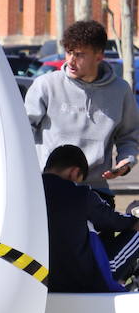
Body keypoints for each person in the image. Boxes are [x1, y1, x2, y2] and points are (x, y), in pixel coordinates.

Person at [26, 19, 139, 198]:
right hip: (48, 189)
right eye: (69, 52)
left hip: (95, 191)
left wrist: (126, 162)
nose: (71, 60)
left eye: (79, 54)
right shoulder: (46, 85)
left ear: (99, 56)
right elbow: (23, 132)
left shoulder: (120, 91)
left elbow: (129, 137)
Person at [40, 144, 139, 291]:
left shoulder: (29, 191)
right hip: (85, 278)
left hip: (42, 277)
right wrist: (132, 213)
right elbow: (113, 221)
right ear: (74, 172)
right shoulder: (80, 194)